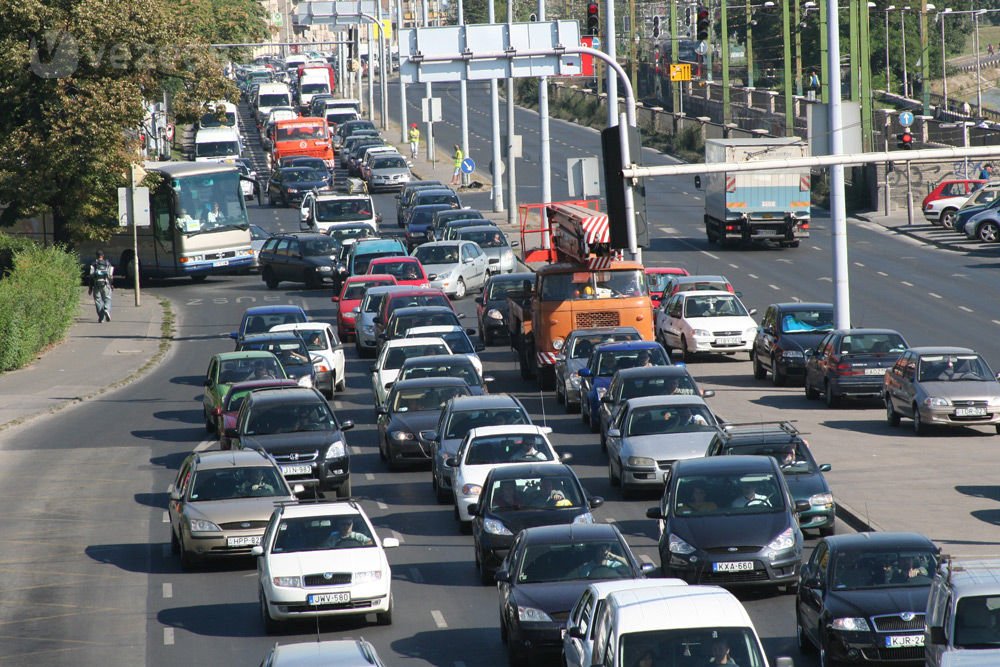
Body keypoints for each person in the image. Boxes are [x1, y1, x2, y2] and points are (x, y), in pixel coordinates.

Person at [88, 249, 114, 323]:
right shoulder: (108, 263)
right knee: (107, 299)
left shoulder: (93, 264)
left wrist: (90, 288)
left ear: (96, 256)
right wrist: (111, 285)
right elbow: (111, 276)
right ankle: (106, 309)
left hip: (96, 285)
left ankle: (101, 317)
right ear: (103, 256)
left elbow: (91, 276)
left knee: (98, 301)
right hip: (106, 284)